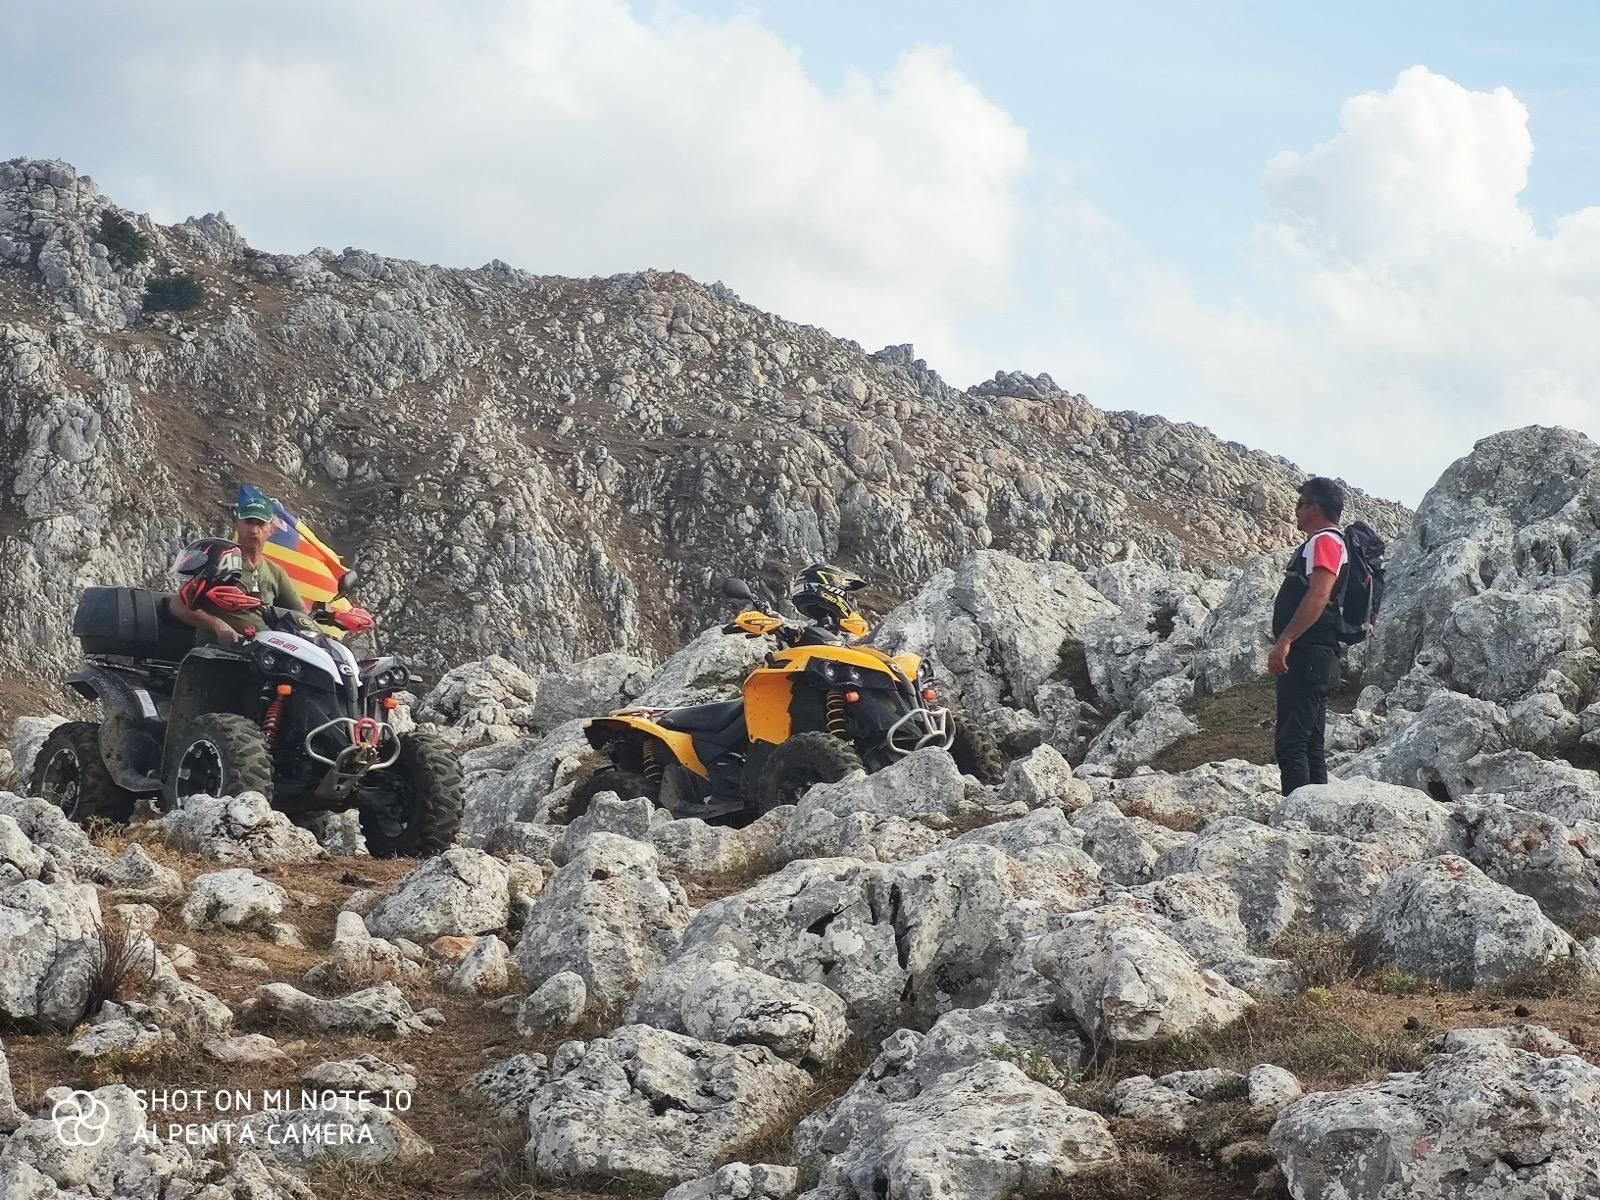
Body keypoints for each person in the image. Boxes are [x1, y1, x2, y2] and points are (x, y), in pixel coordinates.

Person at [1268, 477, 1348, 796]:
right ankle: (1314, 813)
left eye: (1300, 503)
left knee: (1292, 743)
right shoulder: (1334, 542)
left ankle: (1297, 822)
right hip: (1318, 654)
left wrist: (1285, 640)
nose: (1296, 509)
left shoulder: (1325, 541)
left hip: (1306, 653)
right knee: (1311, 742)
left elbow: (1318, 595)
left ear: (1314, 508)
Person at [172, 493, 312, 646]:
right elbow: (178, 605)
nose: (253, 530)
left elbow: (301, 616)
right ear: (237, 524)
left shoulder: (275, 572)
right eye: (248, 522)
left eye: (260, 524)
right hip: (217, 653)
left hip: (265, 657)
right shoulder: (219, 560)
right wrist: (217, 625)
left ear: (270, 530)